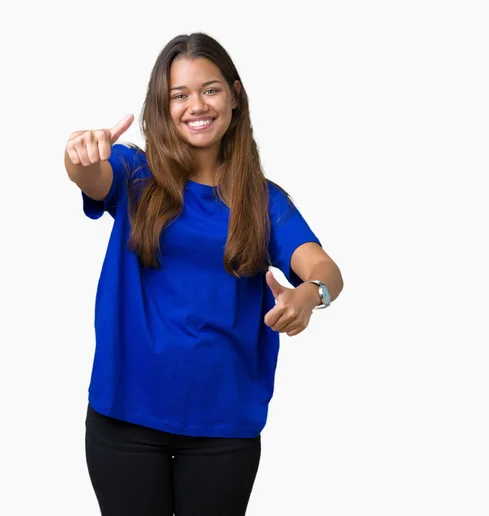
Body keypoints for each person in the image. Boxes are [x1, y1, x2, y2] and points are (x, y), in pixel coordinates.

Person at [64, 32, 343, 516]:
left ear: (234, 96)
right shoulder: (134, 174)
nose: (197, 104)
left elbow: (323, 266)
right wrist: (81, 153)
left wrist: (310, 293)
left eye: (210, 89)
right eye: (180, 94)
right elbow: (89, 175)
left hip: (224, 425)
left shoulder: (261, 200)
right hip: (126, 416)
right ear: (163, 106)